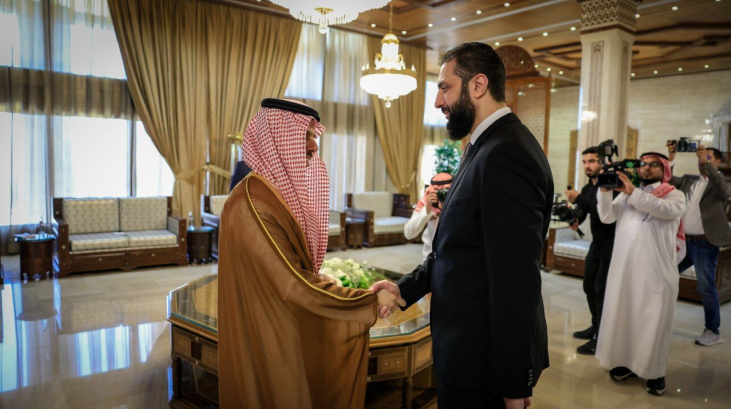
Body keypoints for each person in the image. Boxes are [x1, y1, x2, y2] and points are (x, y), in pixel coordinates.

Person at [372, 42, 553, 409]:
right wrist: (404, 289)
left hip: (481, 362)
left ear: (478, 85)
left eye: (444, 87)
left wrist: (513, 382)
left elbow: (515, 279)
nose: (438, 101)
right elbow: (458, 249)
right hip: (463, 348)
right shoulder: (484, 146)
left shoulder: (507, 152)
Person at [217, 98, 404, 409]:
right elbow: (293, 285)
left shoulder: (267, 192)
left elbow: (287, 269)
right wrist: (368, 300)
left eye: (314, 137)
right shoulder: (252, 203)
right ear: (276, 139)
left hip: (276, 320)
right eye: (304, 137)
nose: (314, 147)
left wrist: (322, 277)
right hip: (267, 329)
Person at [595, 152, 686, 396]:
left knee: (653, 323)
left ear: (665, 169)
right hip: (626, 271)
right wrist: (604, 192)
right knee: (626, 318)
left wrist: (632, 192)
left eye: (653, 165)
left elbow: (662, 209)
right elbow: (607, 216)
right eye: (643, 164)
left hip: (656, 273)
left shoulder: (674, 194)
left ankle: (655, 373)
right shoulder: (628, 194)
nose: (646, 168)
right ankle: (627, 363)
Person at [666, 142, 731, 346]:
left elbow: (725, 192)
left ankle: (712, 330)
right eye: (700, 157)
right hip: (684, 243)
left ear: (717, 163)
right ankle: (658, 319)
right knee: (665, 275)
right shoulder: (689, 180)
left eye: (708, 157)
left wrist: (707, 164)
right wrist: (671, 158)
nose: (702, 160)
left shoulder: (723, 182)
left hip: (705, 245)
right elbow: (668, 180)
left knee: (705, 287)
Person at [564, 147, 617, 355]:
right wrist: (574, 219)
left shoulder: (610, 185)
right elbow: (585, 212)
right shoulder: (587, 188)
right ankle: (596, 327)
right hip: (597, 244)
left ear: (602, 163)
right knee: (589, 286)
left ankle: (602, 337)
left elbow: (603, 213)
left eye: (592, 161)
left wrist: (578, 198)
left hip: (613, 245)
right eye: (584, 162)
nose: (587, 165)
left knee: (601, 291)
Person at [404, 172, 453, 260]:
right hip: (430, 256)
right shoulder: (425, 202)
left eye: (446, 191)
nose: (442, 195)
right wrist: (427, 210)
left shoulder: (459, 202)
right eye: (438, 191)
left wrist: (449, 207)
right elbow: (408, 234)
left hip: (454, 256)